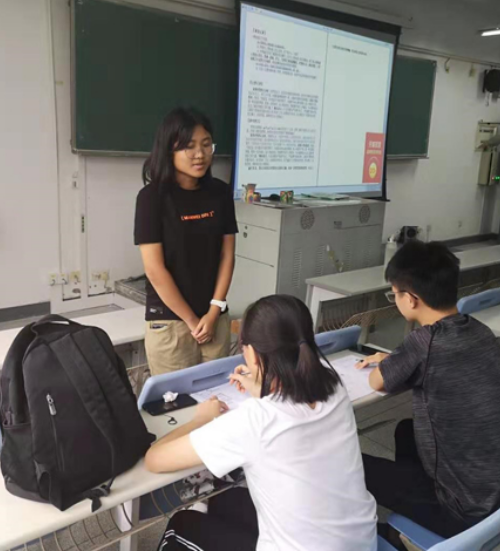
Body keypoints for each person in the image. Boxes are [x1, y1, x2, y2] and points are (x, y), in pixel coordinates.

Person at [145, 295, 378, 551]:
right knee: (225, 499)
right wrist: (262, 388)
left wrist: (201, 419)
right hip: (361, 542)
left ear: (253, 355)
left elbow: (154, 460)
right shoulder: (333, 384)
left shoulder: (254, 420)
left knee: (181, 523)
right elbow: (289, 411)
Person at [357, 240, 500, 539]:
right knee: (405, 430)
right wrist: (397, 360)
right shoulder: (478, 329)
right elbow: (437, 363)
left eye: (394, 294)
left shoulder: (424, 342)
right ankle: (416, 512)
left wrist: (391, 361)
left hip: (467, 511)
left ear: (411, 299)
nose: (395, 300)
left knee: (352, 465)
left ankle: (403, 536)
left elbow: (377, 381)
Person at [134, 108, 237, 376]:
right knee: (177, 400)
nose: (200, 154)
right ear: (169, 149)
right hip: (171, 323)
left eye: (206, 144)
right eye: (189, 147)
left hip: (214, 317)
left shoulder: (220, 193)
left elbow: (227, 255)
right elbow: (154, 270)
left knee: (218, 396)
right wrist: (192, 321)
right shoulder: (151, 198)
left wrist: (214, 311)